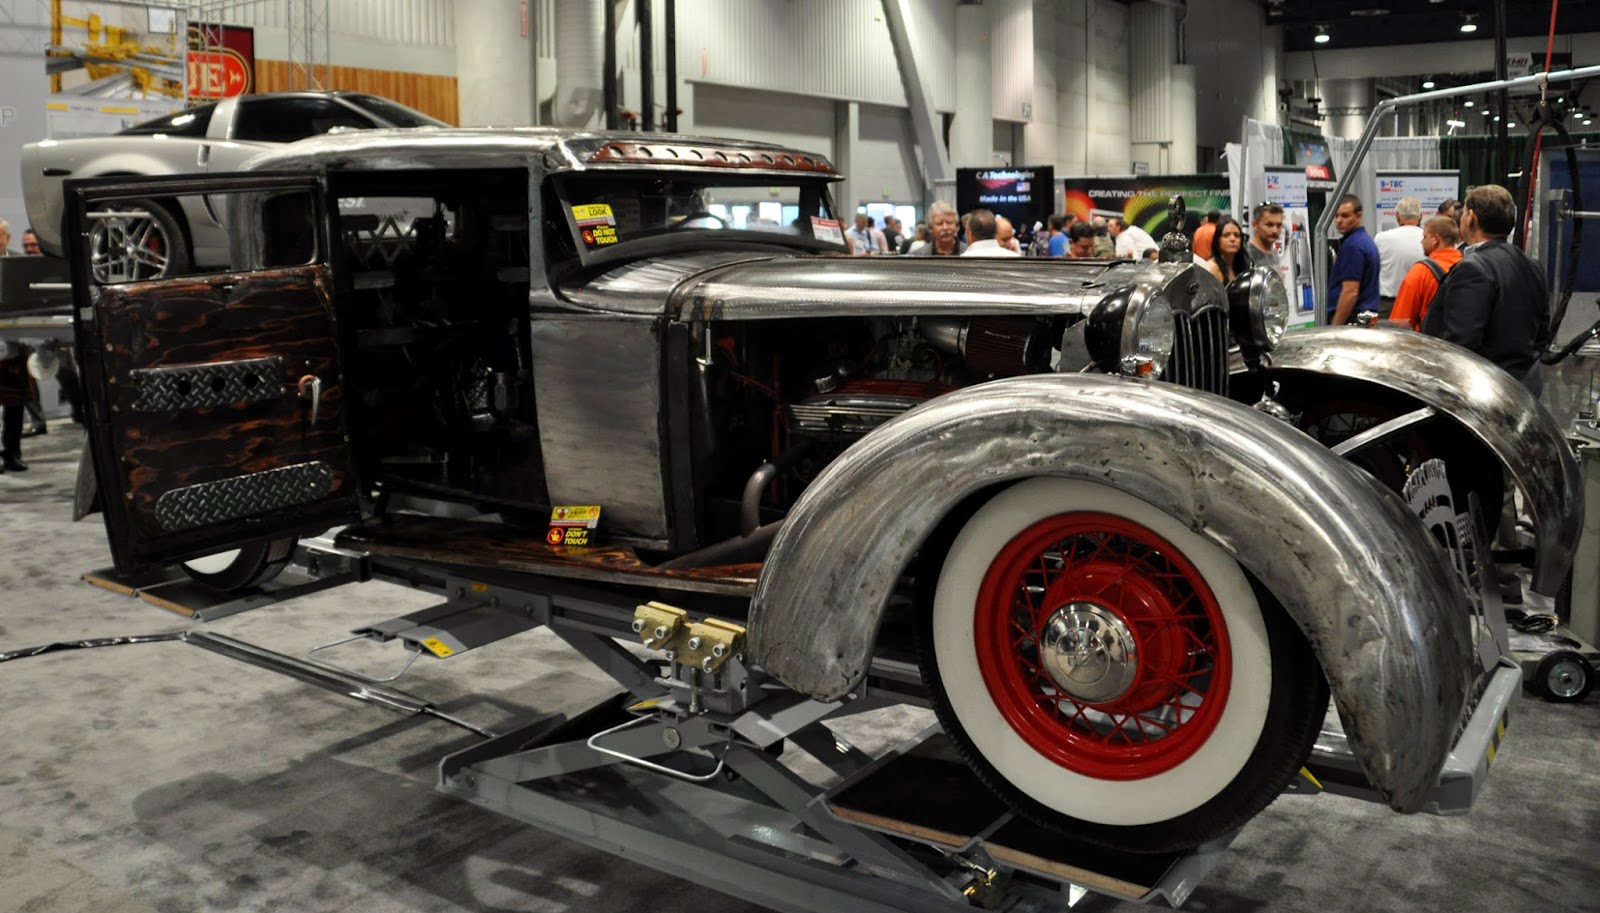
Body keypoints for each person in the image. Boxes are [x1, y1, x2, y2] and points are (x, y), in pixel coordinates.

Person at [1421, 184, 1550, 393]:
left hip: (1485, 392)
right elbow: (1543, 333)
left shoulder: (1473, 268)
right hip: (1525, 388)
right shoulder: (1533, 266)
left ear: (1471, 217)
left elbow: (1460, 345)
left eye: (1462, 214)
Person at [1389, 216, 1462, 331]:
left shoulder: (1421, 272)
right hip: (1459, 344)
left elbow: (1400, 321)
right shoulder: (1468, 267)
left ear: (1436, 239)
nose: (1422, 241)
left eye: (1425, 236)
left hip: (1427, 343)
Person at [1327, 194, 1381, 325]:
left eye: (1345, 216)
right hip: (1364, 319)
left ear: (1358, 216)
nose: (1339, 221)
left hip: (1351, 320)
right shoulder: (1364, 241)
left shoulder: (1353, 246)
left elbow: (1350, 292)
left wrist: (1335, 327)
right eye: (1336, 215)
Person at [1374, 196, 1425, 317]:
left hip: (1387, 306)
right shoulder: (1429, 239)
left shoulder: (1381, 238)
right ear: (1421, 216)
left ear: (1397, 216)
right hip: (1419, 306)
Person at [1205, 216, 1249, 285]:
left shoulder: (1242, 265)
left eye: (1237, 235)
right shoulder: (1211, 267)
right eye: (1226, 235)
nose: (1232, 239)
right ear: (1218, 240)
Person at [1246, 202, 1284, 272]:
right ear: (1255, 225)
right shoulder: (1246, 255)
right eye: (1269, 225)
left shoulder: (1274, 253)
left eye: (1278, 225)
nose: (1275, 231)